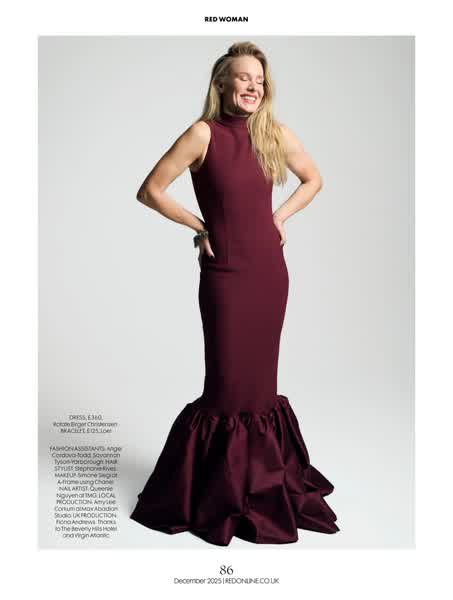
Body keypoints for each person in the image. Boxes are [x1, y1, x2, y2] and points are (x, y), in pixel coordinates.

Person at [130, 41, 339, 546]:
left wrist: (280, 216)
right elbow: (150, 190)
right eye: (244, 77)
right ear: (222, 82)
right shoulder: (202, 133)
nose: (253, 86)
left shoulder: (273, 133)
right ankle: (218, 493)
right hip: (225, 275)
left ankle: (264, 488)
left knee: (262, 384)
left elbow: (313, 179)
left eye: (260, 80)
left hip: (269, 273)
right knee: (227, 385)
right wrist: (199, 226)